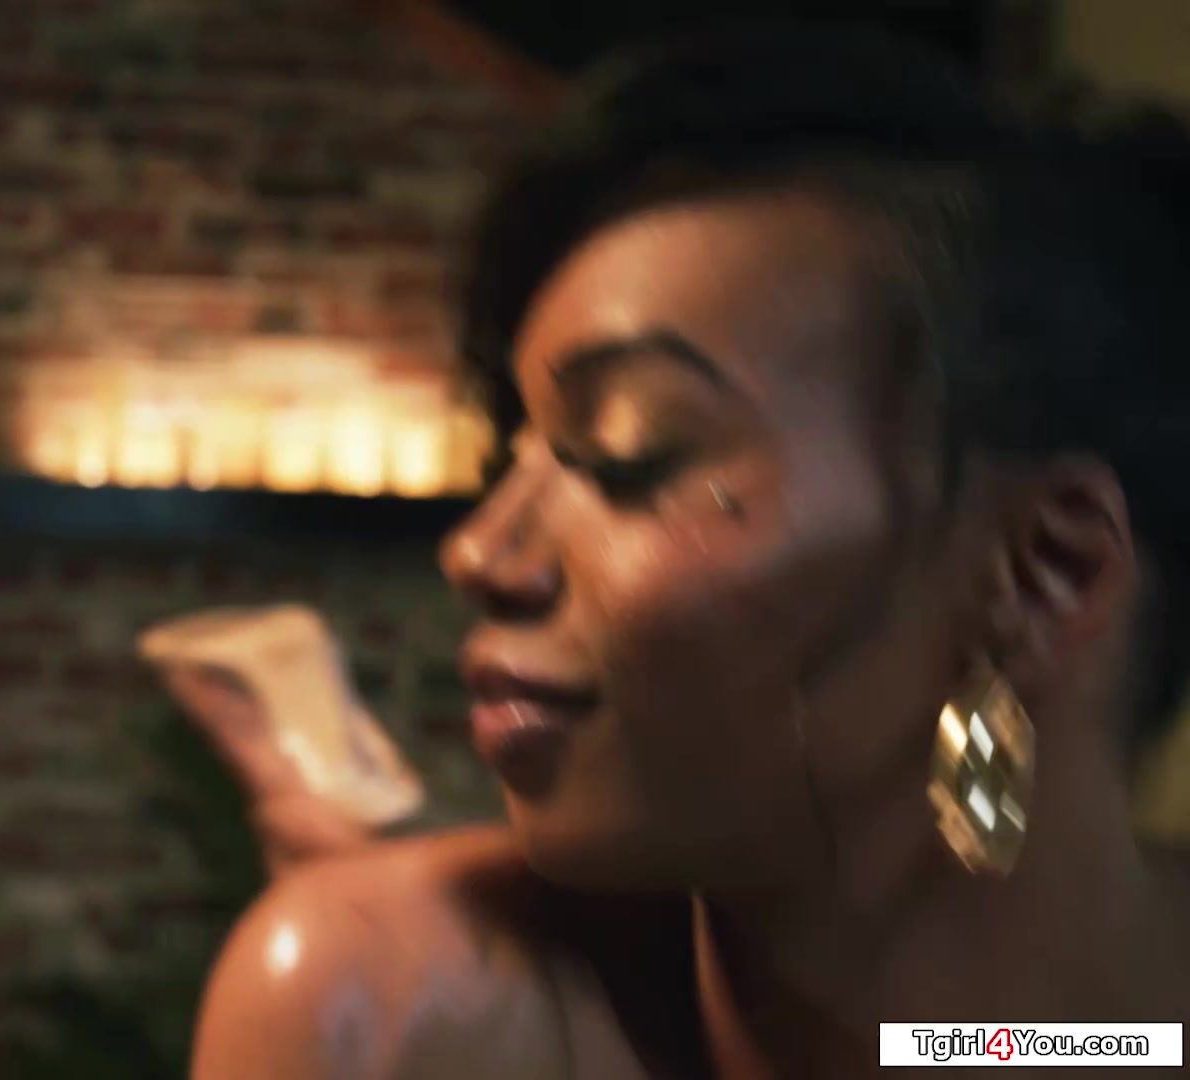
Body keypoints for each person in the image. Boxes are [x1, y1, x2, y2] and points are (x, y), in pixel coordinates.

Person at [188, 27, 1190, 1079]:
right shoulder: (397, 1020)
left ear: (1047, 573)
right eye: (512, 457)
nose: (480, 552)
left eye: (629, 455)